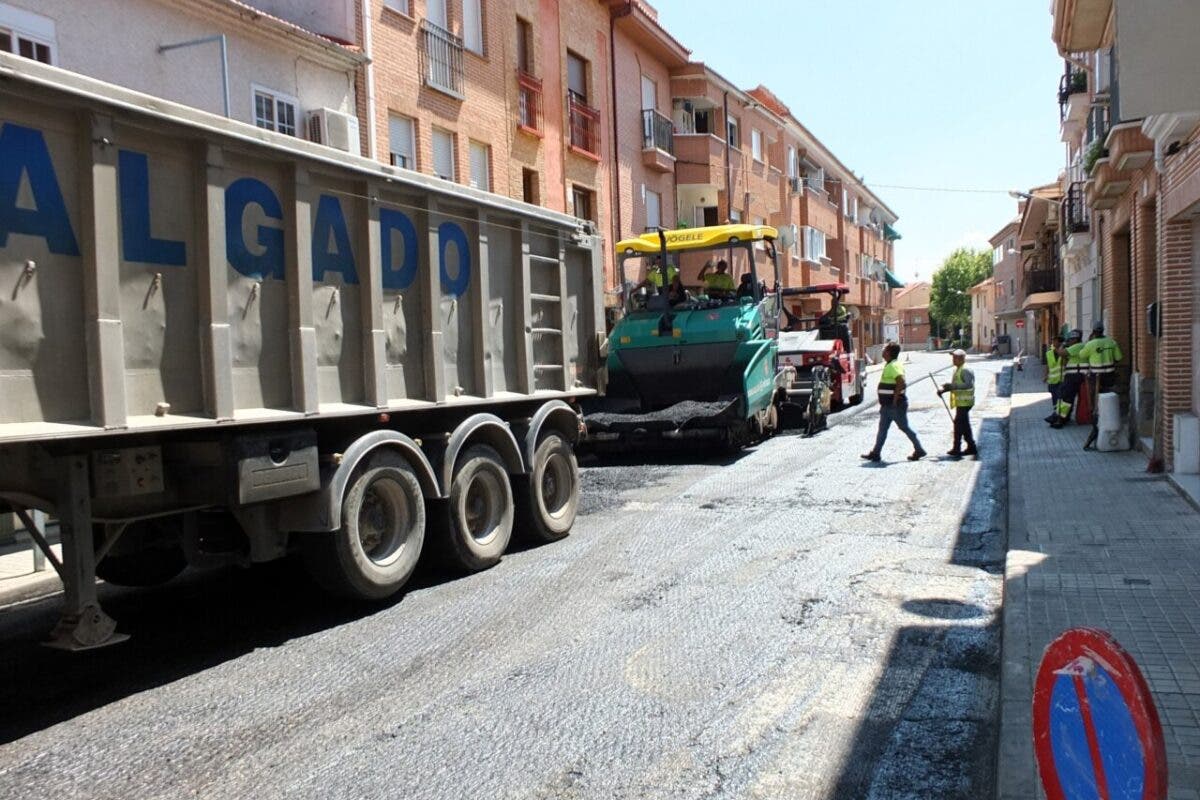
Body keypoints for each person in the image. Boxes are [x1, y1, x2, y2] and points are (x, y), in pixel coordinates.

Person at [862, 342, 926, 462]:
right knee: (882, 429)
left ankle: (919, 449)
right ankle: (876, 453)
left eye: (885, 349)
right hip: (887, 405)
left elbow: (900, 381)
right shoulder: (891, 364)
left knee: (905, 428)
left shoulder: (893, 366)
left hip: (894, 406)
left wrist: (895, 399)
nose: (883, 351)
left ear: (889, 353)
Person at [1080, 321, 1123, 449]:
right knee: (1110, 402)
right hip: (1110, 378)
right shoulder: (1111, 342)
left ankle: (1097, 426)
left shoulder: (1091, 344)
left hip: (1095, 379)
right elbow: (1119, 357)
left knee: (1095, 406)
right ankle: (1108, 422)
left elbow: (1082, 355)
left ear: (1093, 331)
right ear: (1103, 330)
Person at [938, 348, 978, 458]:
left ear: (961, 358)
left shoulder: (965, 370)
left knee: (958, 425)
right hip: (961, 402)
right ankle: (971, 447)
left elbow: (968, 385)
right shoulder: (958, 369)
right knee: (964, 425)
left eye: (955, 357)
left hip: (965, 402)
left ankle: (957, 448)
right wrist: (944, 390)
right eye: (953, 357)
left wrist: (951, 386)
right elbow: (955, 385)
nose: (953, 359)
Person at [1052, 329, 1086, 428]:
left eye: (1070, 340)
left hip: (1074, 376)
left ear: (1075, 339)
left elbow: (1061, 353)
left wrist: (1062, 345)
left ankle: (1061, 419)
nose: (1069, 342)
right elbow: (1065, 361)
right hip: (1075, 375)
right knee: (1066, 397)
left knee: (1066, 397)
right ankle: (1061, 416)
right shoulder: (1078, 347)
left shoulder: (1077, 346)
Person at [1043, 335, 1066, 424]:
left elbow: (1065, 363)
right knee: (1055, 400)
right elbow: (1047, 365)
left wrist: (1060, 351)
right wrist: (1045, 376)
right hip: (1052, 380)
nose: (1053, 343)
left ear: (1060, 343)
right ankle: (1056, 415)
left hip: (1062, 379)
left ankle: (1058, 416)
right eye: (1053, 341)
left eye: (1055, 341)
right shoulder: (1049, 353)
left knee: (1060, 399)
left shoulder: (1064, 352)